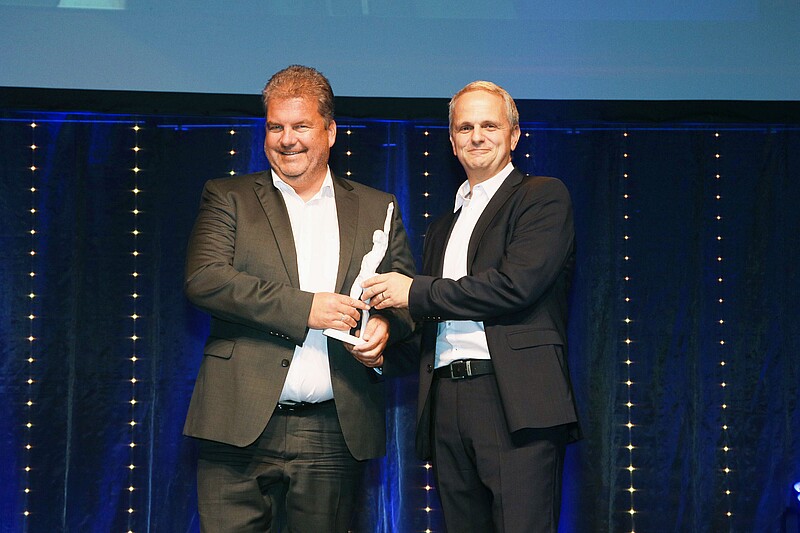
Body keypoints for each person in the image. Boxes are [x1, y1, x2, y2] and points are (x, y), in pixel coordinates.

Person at [183, 65, 415, 532]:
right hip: (236, 422)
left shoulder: (377, 206)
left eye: (301, 126)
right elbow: (205, 279)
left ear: (330, 132)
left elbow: (405, 297)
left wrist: (385, 329)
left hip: (333, 431)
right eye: (275, 127)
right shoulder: (228, 197)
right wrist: (306, 308)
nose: (287, 140)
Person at [362, 81, 580, 533]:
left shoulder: (542, 196)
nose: (477, 136)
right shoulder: (444, 225)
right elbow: (435, 322)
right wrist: (382, 349)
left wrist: (413, 292)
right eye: (465, 127)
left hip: (514, 400)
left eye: (489, 125)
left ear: (514, 135)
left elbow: (513, 287)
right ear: (452, 140)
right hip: (445, 401)